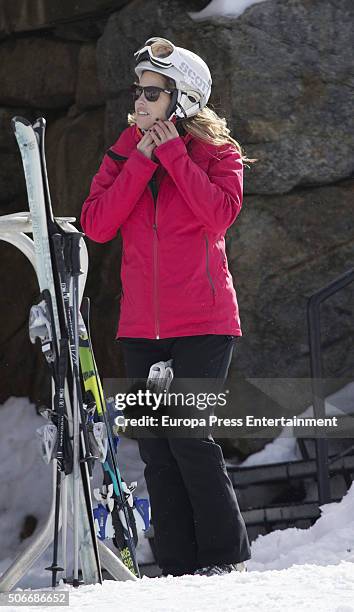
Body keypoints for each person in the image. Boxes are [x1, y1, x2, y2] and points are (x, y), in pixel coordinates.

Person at [81, 37, 251, 577]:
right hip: (139, 328)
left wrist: (174, 153)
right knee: (155, 446)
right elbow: (96, 224)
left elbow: (219, 214)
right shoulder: (123, 149)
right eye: (138, 91)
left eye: (152, 93)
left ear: (183, 98)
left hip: (205, 322)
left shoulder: (218, 154)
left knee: (189, 436)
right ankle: (177, 570)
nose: (139, 102)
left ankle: (224, 560)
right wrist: (140, 159)